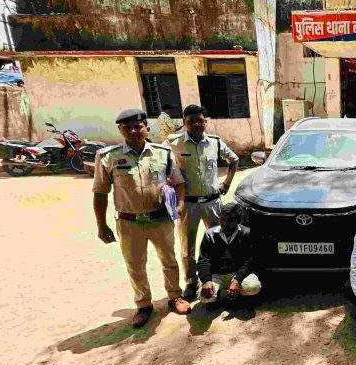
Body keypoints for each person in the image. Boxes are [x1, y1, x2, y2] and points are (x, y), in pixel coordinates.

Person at [92, 108, 191, 328]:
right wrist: (101, 225)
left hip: (160, 219)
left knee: (169, 261)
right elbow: (100, 192)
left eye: (138, 127)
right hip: (129, 222)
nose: (133, 131)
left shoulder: (162, 153)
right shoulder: (108, 156)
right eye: (127, 128)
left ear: (147, 128)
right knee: (135, 266)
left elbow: (178, 182)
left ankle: (175, 296)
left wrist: (180, 204)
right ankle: (144, 305)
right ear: (120, 130)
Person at [165, 104, 240, 301]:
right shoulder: (173, 143)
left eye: (200, 120)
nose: (196, 124)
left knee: (218, 242)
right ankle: (191, 282)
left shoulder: (215, 142)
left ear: (205, 122)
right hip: (188, 204)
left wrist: (227, 183)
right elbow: (162, 164)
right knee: (187, 246)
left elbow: (234, 160)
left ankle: (214, 278)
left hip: (212, 203)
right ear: (184, 123)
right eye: (191, 121)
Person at [196, 203, 262, 310]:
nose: (225, 223)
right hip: (216, 275)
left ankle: (233, 294)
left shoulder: (246, 233)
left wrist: (237, 280)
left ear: (238, 221)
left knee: (253, 287)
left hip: (236, 272)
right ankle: (225, 295)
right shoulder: (210, 234)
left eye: (230, 220)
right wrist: (206, 280)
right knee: (203, 296)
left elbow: (250, 260)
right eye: (222, 219)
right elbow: (203, 260)